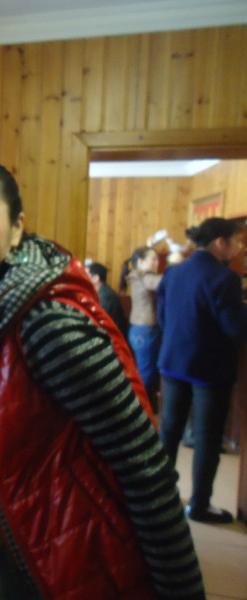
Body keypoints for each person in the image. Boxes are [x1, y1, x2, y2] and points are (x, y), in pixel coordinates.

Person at [0, 159, 204, 600]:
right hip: (34, 546)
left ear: (17, 228)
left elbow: (145, 469)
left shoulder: (46, 323)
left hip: (87, 559)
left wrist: (183, 592)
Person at [157, 217, 247, 524]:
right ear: (221, 242)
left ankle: (159, 494)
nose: (239, 248)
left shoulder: (173, 271)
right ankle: (199, 505)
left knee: (169, 430)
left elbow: (163, 317)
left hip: (173, 362)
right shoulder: (225, 279)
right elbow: (237, 329)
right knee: (208, 438)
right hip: (209, 369)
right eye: (237, 241)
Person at [119, 246, 162, 401]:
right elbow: (166, 282)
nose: (157, 262)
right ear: (141, 262)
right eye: (153, 259)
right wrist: (175, 262)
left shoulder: (137, 275)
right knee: (146, 375)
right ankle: (139, 408)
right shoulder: (143, 277)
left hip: (141, 330)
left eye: (157, 259)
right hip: (145, 331)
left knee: (147, 373)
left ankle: (146, 406)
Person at [85, 261, 129, 337]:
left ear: (96, 278)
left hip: (115, 337)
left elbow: (98, 320)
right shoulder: (100, 291)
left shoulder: (105, 295)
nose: (82, 276)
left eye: (85, 274)